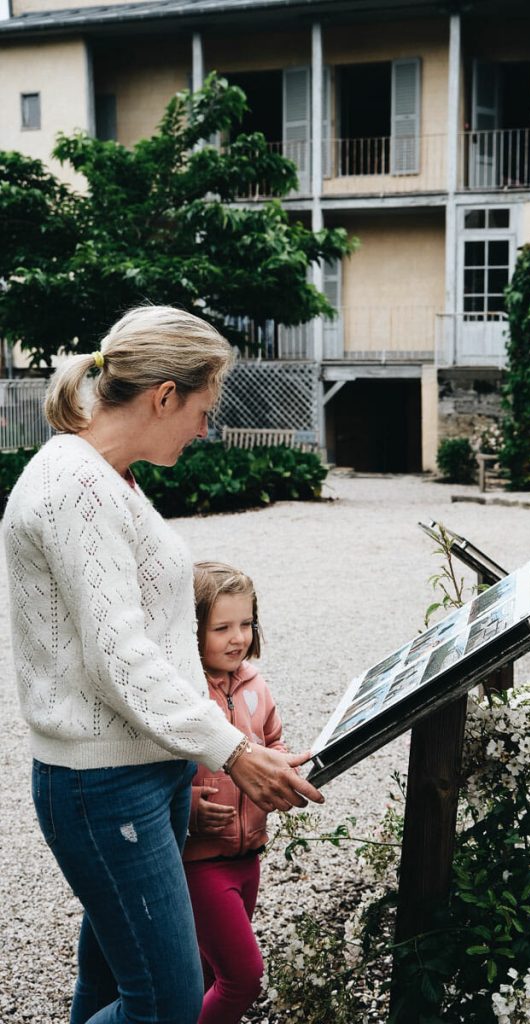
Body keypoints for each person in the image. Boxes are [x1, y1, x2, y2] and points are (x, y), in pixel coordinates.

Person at [2, 305, 323, 1024]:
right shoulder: (75, 489)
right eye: (202, 411)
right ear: (165, 395)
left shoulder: (105, 476)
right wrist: (234, 749)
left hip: (140, 775)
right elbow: (120, 656)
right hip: (103, 789)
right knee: (167, 1004)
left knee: (117, 986)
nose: (204, 429)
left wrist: (202, 751)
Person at [184, 562, 282, 1023]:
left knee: (209, 970)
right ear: (191, 627)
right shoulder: (184, 694)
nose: (237, 637)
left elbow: (274, 740)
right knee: (244, 977)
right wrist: (184, 808)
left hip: (249, 858)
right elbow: (155, 768)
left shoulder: (255, 685)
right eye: (221, 627)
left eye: (246, 624)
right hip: (201, 863)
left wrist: (282, 774)